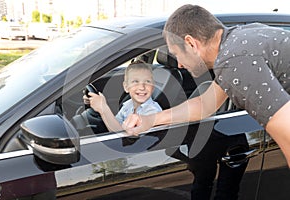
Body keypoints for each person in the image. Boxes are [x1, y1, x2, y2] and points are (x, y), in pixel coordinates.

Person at [122, 4, 290, 166]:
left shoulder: (234, 63)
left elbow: (287, 133)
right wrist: (149, 120)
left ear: (191, 43)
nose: (179, 64)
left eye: (177, 54)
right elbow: (204, 104)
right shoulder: (236, 43)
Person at [83, 60, 162, 132]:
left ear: (153, 86)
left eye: (147, 81)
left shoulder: (152, 112)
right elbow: (116, 124)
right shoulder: (128, 105)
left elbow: (122, 137)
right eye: (135, 81)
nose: (142, 87)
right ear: (126, 87)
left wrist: (103, 108)